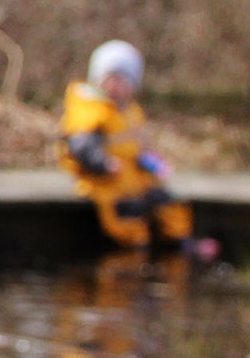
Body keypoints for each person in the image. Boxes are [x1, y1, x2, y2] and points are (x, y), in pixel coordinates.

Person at [58, 41, 214, 258]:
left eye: (122, 81)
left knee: (166, 200)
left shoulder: (130, 111)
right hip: (104, 180)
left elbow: (136, 144)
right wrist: (102, 163)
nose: (116, 86)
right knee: (129, 213)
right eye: (110, 79)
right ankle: (136, 251)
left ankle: (182, 242)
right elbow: (81, 145)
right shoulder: (90, 109)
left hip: (133, 175)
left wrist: (150, 161)